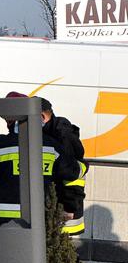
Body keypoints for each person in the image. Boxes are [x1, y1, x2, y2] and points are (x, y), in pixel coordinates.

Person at [0, 93, 78, 224]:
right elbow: (73, 172)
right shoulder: (54, 147)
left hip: (6, 222)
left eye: (8, 120)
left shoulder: (1, 144)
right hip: (40, 219)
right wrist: (83, 164)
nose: (7, 123)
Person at [40, 98, 88, 235]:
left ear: (42, 117)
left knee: (59, 251)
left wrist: (69, 207)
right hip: (58, 206)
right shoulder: (53, 133)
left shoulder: (61, 136)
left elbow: (72, 175)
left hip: (65, 211)